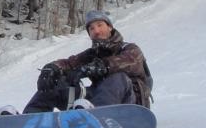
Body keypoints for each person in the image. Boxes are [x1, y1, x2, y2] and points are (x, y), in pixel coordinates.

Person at [12, 10, 152, 115]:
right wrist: (52, 68)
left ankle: (95, 117)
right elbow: (70, 63)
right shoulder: (92, 55)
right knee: (55, 83)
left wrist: (101, 66)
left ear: (110, 27)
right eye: (91, 28)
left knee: (118, 78)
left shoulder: (130, 49)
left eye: (100, 25)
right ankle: (30, 119)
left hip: (132, 104)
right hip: (99, 102)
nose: (96, 31)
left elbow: (125, 62)